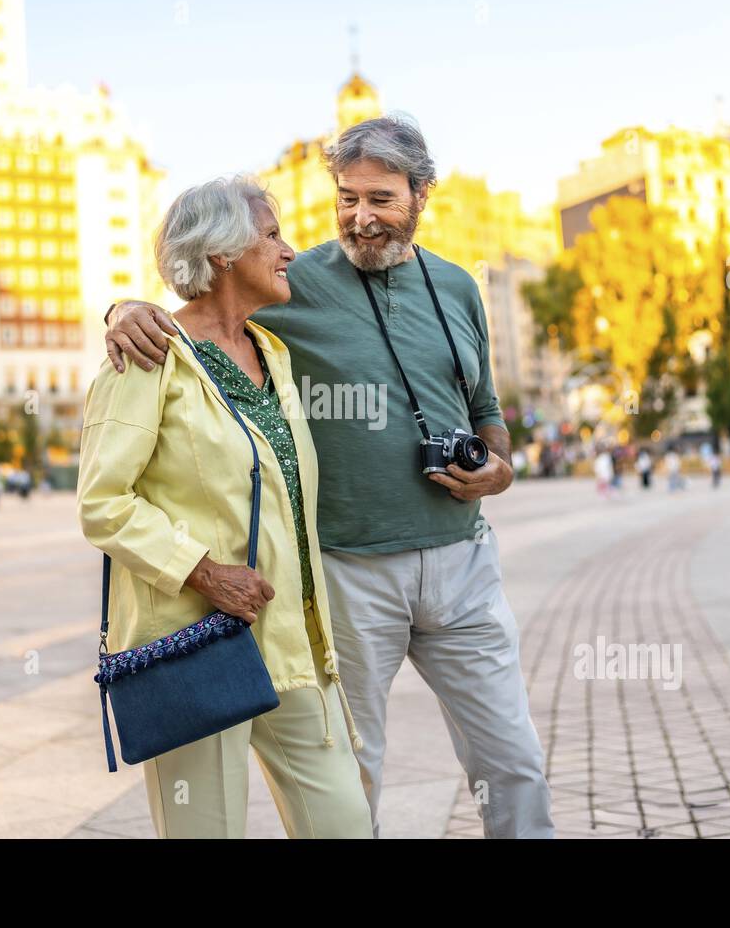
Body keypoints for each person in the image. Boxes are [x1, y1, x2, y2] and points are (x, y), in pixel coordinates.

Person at [103, 118, 553, 839]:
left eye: (380, 198)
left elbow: (486, 408)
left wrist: (496, 468)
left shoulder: (460, 287)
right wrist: (123, 309)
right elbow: (203, 311)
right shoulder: (291, 281)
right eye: (347, 198)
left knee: (514, 760)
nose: (361, 217)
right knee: (353, 772)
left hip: (464, 561)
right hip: (349, 569)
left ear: (421, 196)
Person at [78, 176, 371, 839]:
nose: (289, 249)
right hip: (199, 646)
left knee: (346, 822)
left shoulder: (275, 352)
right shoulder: (148, 357)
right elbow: (102, 503)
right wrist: (202, 570)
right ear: (223, 253)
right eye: (272, 234)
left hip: (295, 642)